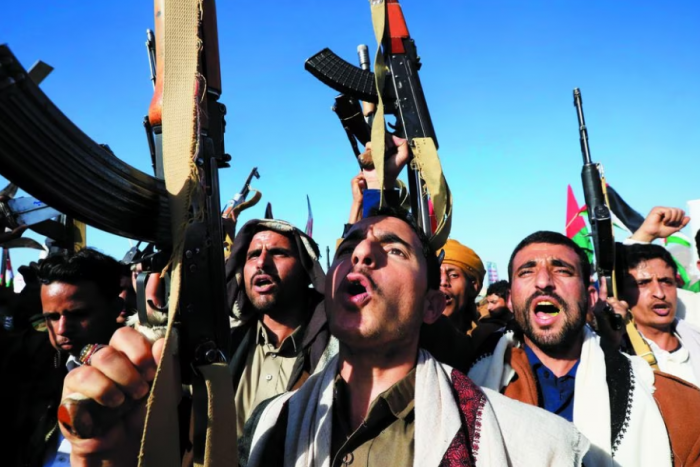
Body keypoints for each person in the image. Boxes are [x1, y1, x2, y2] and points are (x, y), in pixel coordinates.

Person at [59, 211, 590, 466]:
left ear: (433, 306)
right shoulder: (269, 426)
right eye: (348, 247)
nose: (362, 252)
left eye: (395, 250)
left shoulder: (536, 445)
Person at [469, 231, 700, 466]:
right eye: (527, 272)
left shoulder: (676, 406)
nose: (543, 282)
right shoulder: (469, 388)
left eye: (562, 270)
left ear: (591, 297)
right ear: (510, 300)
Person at [6, 249, 124, 466]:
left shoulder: (147, 367)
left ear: (115, 308)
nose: (62, 329)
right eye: (51, 317)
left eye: (78, 314)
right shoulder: (30, 364)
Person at [224, 219, 331, 434]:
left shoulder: (333, 351)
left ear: (306, 270)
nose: (262, 262)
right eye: (253, 255)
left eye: (278, 253)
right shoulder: (224, 343)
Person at [619, 243, 700, 385]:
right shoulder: (614, 353)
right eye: (643, 283)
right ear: (620, 293)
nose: (659, 293)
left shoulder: (694, 339)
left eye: (666, 282)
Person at [438, 239, 485, 334]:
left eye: (454, 275)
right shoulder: (411, 338)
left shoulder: (491, 339)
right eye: (436, 274)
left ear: (473, 286)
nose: (443, 282)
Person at [471, 280, 513, 350]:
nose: (488, 307)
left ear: (508, 300)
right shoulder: (483, 327)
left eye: (494, 302)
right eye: (488, 302)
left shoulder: (519, 325)